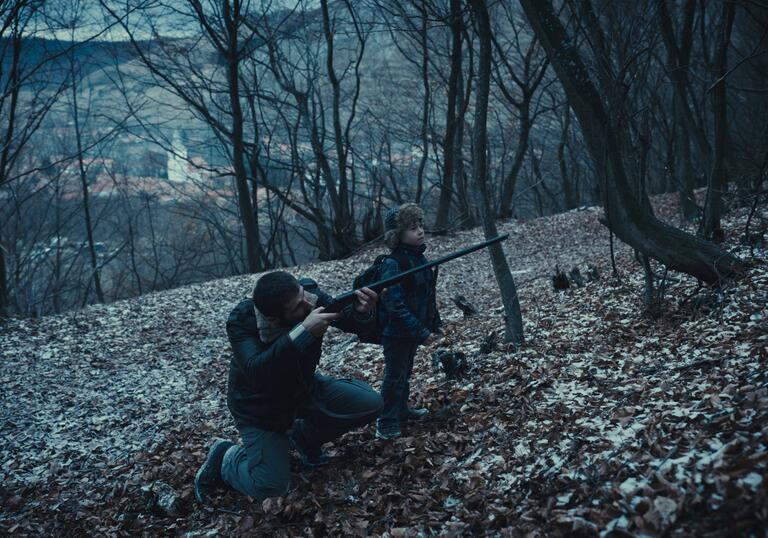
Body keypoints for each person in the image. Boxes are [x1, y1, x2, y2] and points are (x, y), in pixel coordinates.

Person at [194, 271, 383, 503]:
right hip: (259, 408)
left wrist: (363, 312)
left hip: (302, 389)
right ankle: (226, 458)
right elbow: (257, 371)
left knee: (371, 403)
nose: (308, 303)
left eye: (304, 296)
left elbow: (354, 324)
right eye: (298, 306)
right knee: (271, 486)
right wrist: (303, 333)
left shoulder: (307, 296)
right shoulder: (242, 321)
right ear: (273, 318)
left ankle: (304, 438)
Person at [376, 203, 442, 440]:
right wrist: (419, 331)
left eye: (421, 225)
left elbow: (427, 296)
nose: (420, 231)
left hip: (413, 330)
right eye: (413, 228)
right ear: (397, 235)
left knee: (405, 373)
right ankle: (386, 421)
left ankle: (401, 410)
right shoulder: (393, 264)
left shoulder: (419, 258)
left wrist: (434, 323)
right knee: (394, 376)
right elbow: (395, 305)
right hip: (396, 332)